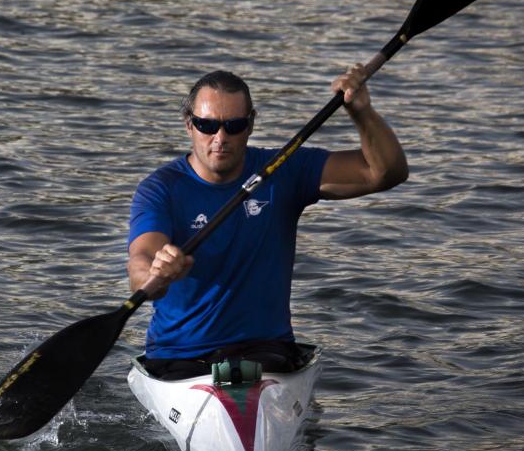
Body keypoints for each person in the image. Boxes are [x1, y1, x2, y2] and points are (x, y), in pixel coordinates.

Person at [126, 64, 408, 378]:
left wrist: (362, 113)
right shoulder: (160, 189)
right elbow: (141, 264)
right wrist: (155, 274)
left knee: (252, 379)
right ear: (189, 125)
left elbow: (386, 173)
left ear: (250, 124)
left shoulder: (283, 169)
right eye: (207, 125)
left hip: (263, 352)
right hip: (178, 357)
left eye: (234, 125)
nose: (220, 138)